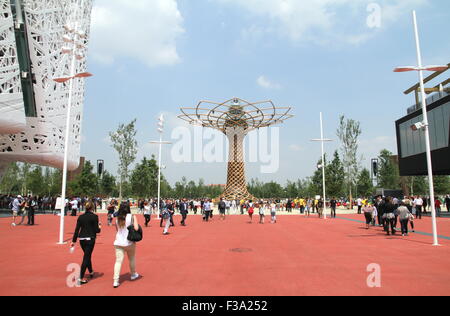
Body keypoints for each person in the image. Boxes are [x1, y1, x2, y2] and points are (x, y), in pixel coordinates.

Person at [71, 201, 101, 285]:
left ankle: (91, 271)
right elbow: (97, 230)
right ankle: (80, 278)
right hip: (90, 239)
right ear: (92, 208)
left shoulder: (81, 217)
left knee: (87, 255)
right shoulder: (94, 217)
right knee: (86, 257)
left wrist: (73, 241)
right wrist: (100, 226)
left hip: (82, 239)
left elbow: (77, 230)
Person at [113, 202, 140, 288]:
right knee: (131, 258)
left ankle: (115, 281)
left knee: (118, 261)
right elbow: (136, 228)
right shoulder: (132, 216)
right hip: (129, 241)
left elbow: (117, 229)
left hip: (118, 242)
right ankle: (133, 274)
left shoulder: (117, 218)